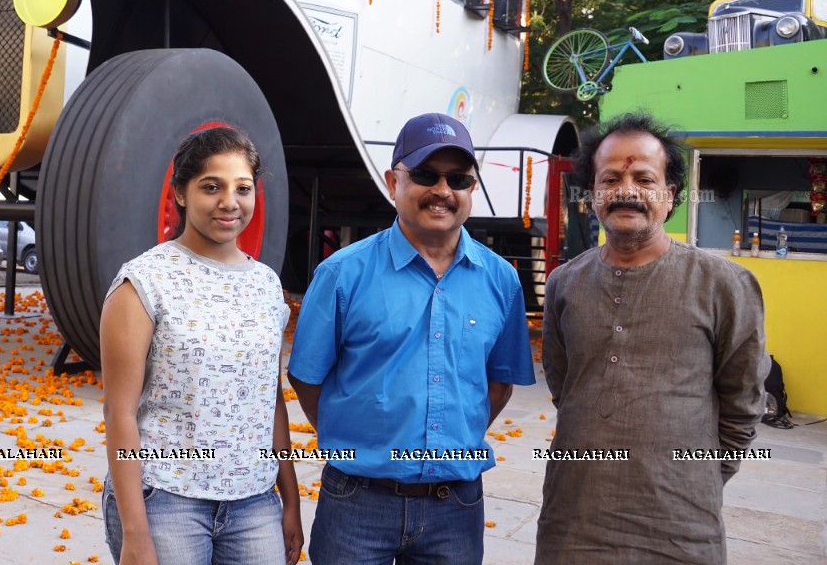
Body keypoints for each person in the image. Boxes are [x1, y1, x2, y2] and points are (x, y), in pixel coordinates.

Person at [288, 112, 535, 565]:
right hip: (357, 502)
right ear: (392, 181)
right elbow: (307, 378)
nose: (443, 190)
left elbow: (499, 383)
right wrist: (357, 439)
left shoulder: (502, 280)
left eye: (458, 178)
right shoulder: (342, 274)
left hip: (455, 510)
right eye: (425, 174)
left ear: (471, 188)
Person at [535, 112, 767, 564]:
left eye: (644, 178)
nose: (627, 191)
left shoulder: (724, 284)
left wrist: (693, 475)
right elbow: (566, 385)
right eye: (611, 178)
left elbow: (742, 401)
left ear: (670, 195)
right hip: (575, 518)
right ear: (593, 194)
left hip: (681, 525)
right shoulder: (565, 283)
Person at [100, 126, 302, 565]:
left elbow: (271, 400)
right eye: (212, 187)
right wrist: (136, 533)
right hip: (167, 501)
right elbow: (119, 412)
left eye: (242, 188)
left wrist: (291, 501)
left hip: (254, 505)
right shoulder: (144, 282)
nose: (230, 202)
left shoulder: (267, 285)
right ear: (182, 192)